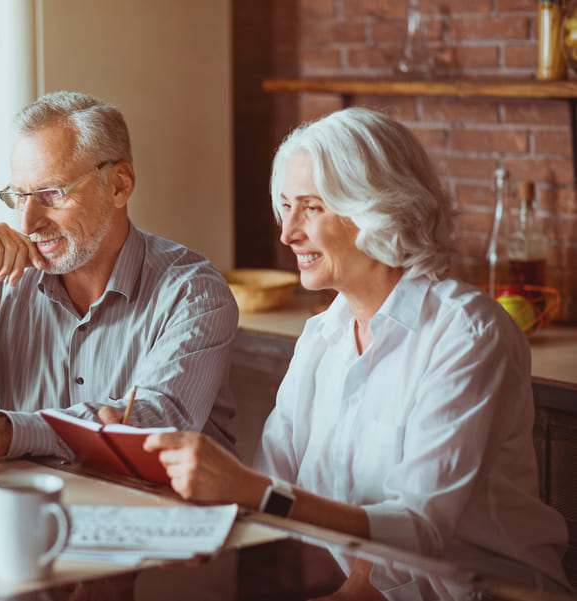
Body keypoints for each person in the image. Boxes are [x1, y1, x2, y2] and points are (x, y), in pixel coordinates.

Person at [144, 107, 571, 596]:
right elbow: (267, 488)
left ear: (377, 208)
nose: (288, 233)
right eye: (286, 206)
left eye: (312, 207)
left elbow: (418, 529)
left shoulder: (468, 334)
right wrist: (144, 463)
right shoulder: (321, 337)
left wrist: (252, 492)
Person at [0, 91, 238, 468]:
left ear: (119, 184)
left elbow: (151, 429)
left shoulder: (194, 293)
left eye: (50, 194)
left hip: (160, 520)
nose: (27, 222)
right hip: (42, 515)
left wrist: (7, 432)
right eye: (19, 196)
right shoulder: (3, 287)